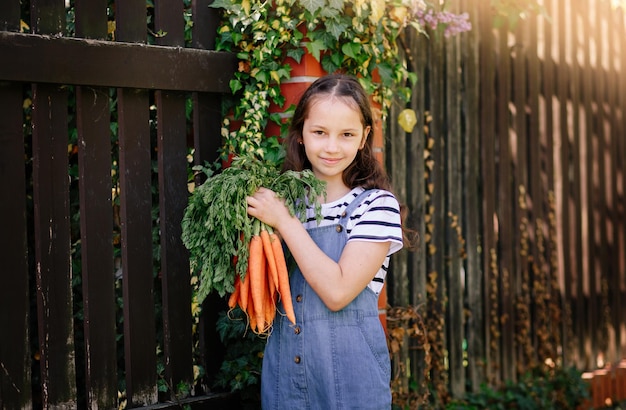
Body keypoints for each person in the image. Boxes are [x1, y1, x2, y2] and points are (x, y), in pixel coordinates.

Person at [246, 73, 405, 409]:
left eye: (346, 134)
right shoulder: (283, 204)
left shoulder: (376, 206)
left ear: (364, 137)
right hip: (285, 379)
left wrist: (284, 223)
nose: (332, 147)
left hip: (352, 383)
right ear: (301, 133)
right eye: (319, 132)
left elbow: (337, 292)